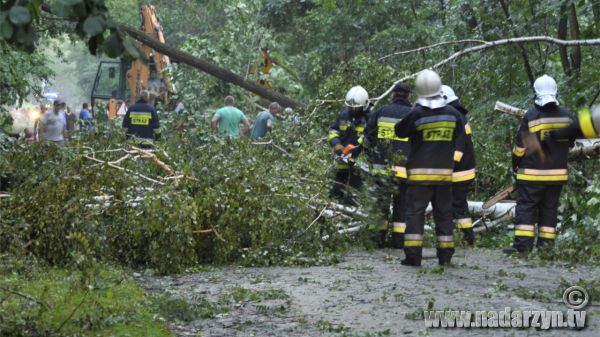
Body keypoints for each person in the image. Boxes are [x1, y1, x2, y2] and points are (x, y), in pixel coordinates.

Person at [394, 70, 466, 266]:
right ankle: (445, 257)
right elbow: (460, 136)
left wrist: (414, 111)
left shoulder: (416, 114)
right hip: (444, 175)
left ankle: (413, 256)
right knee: (444, 214)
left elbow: (399, 130)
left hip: (419, 176)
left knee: (415, 214)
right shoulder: (453, 114)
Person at [504, 75, 576, 254]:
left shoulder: (531, 116)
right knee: (549, 210)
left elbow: (520, 148)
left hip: (531, 175)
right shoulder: (568, 117)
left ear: (535, 93)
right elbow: (571, 142)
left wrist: (515, 166)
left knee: (526, 209)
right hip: (557, 176)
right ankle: (546, 249)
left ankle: (523, 248)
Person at [362, 82, 412, 248]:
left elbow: (367, 140)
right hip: (404, 172)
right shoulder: (413, 114)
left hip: (381, 170)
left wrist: (369, 158)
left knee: (381, 205)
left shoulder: (381, 113)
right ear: (408, 96)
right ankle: (398, 243)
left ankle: (377, 241)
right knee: (401, 208)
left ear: (393, 95)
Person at [441, 85, 476, 246]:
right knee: (458, 204)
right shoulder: (460, 116)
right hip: (464, 170)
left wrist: (450, 165)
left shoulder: (455, 117)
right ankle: (463, 236)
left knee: (458, 205)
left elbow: (458, 146)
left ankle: (467, 237)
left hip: (459, 171)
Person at [328, 86, 370, 205]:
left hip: (360, 164)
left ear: (364, 105)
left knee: (355, 193)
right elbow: (333, 132)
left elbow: (368, 137)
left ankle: (351, 215)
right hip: (343, 160)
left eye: (356, 108)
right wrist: (338, 147)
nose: (354, 110)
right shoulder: (343, 116)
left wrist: (356, 151)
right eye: (351, 107)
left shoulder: (369, 118)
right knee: (336, 191)